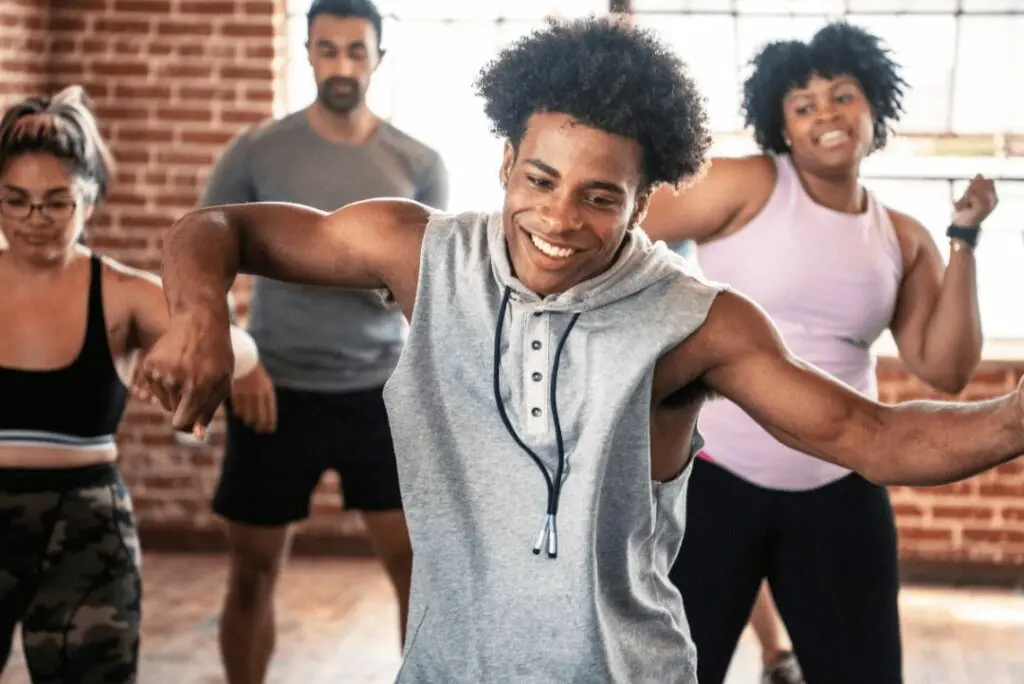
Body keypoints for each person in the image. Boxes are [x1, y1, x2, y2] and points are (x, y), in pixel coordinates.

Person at [138, 18, 1021, 684]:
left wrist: (1016, 415)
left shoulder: (697, 322)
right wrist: (201, 318)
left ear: (645, 204)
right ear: (506, 162)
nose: (560, 220)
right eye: (541, 180)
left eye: (602, 196)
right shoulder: (420, 254)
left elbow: (874, 437)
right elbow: (215, 228)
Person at [641, 21, 995, 684]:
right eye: (803, 106)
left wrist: (964, 238)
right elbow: (621, 222)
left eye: (842, 96)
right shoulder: (747, 184)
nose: (825, 115)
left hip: (840, 490)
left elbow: (945, 368)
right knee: (671, 673)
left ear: (873, 107)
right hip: (713, 480)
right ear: (782, 124)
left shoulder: (900, 235)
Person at [199, 0, 448, 680]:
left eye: (356, 51)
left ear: (378, 59)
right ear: (307, 51)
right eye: (329, 49)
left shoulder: (418, 163)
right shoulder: (257, 151)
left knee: (417, 571)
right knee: (251, 573)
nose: (342, 65)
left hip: (380, 396)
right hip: (273, 390)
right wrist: (236, 353)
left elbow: (430, 297)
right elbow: (198, 258)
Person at [0, 87, 258, 684]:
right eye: (16, 201)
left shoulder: (117, 292)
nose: (35, 219)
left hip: (84, 520)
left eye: (56, 203)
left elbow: (239, 349)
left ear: (89, 200)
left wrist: (192, 340)